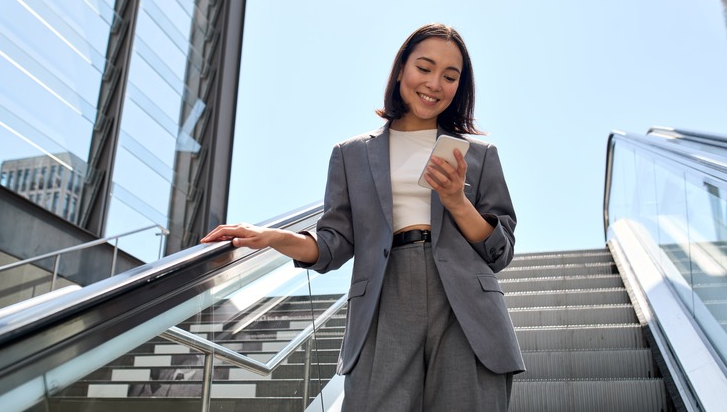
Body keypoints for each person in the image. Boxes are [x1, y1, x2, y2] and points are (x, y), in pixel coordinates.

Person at [201, 23, 525, 411]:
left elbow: (500, 251)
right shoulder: (350, 154)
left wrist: (456, 201)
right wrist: (274, 237)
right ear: (402, 68)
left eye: (450, 76)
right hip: (382, 302)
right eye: (424, 68)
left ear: (460, 87)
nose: (435, 83)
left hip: (466, 309)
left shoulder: (479, 155)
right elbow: (333, 244)